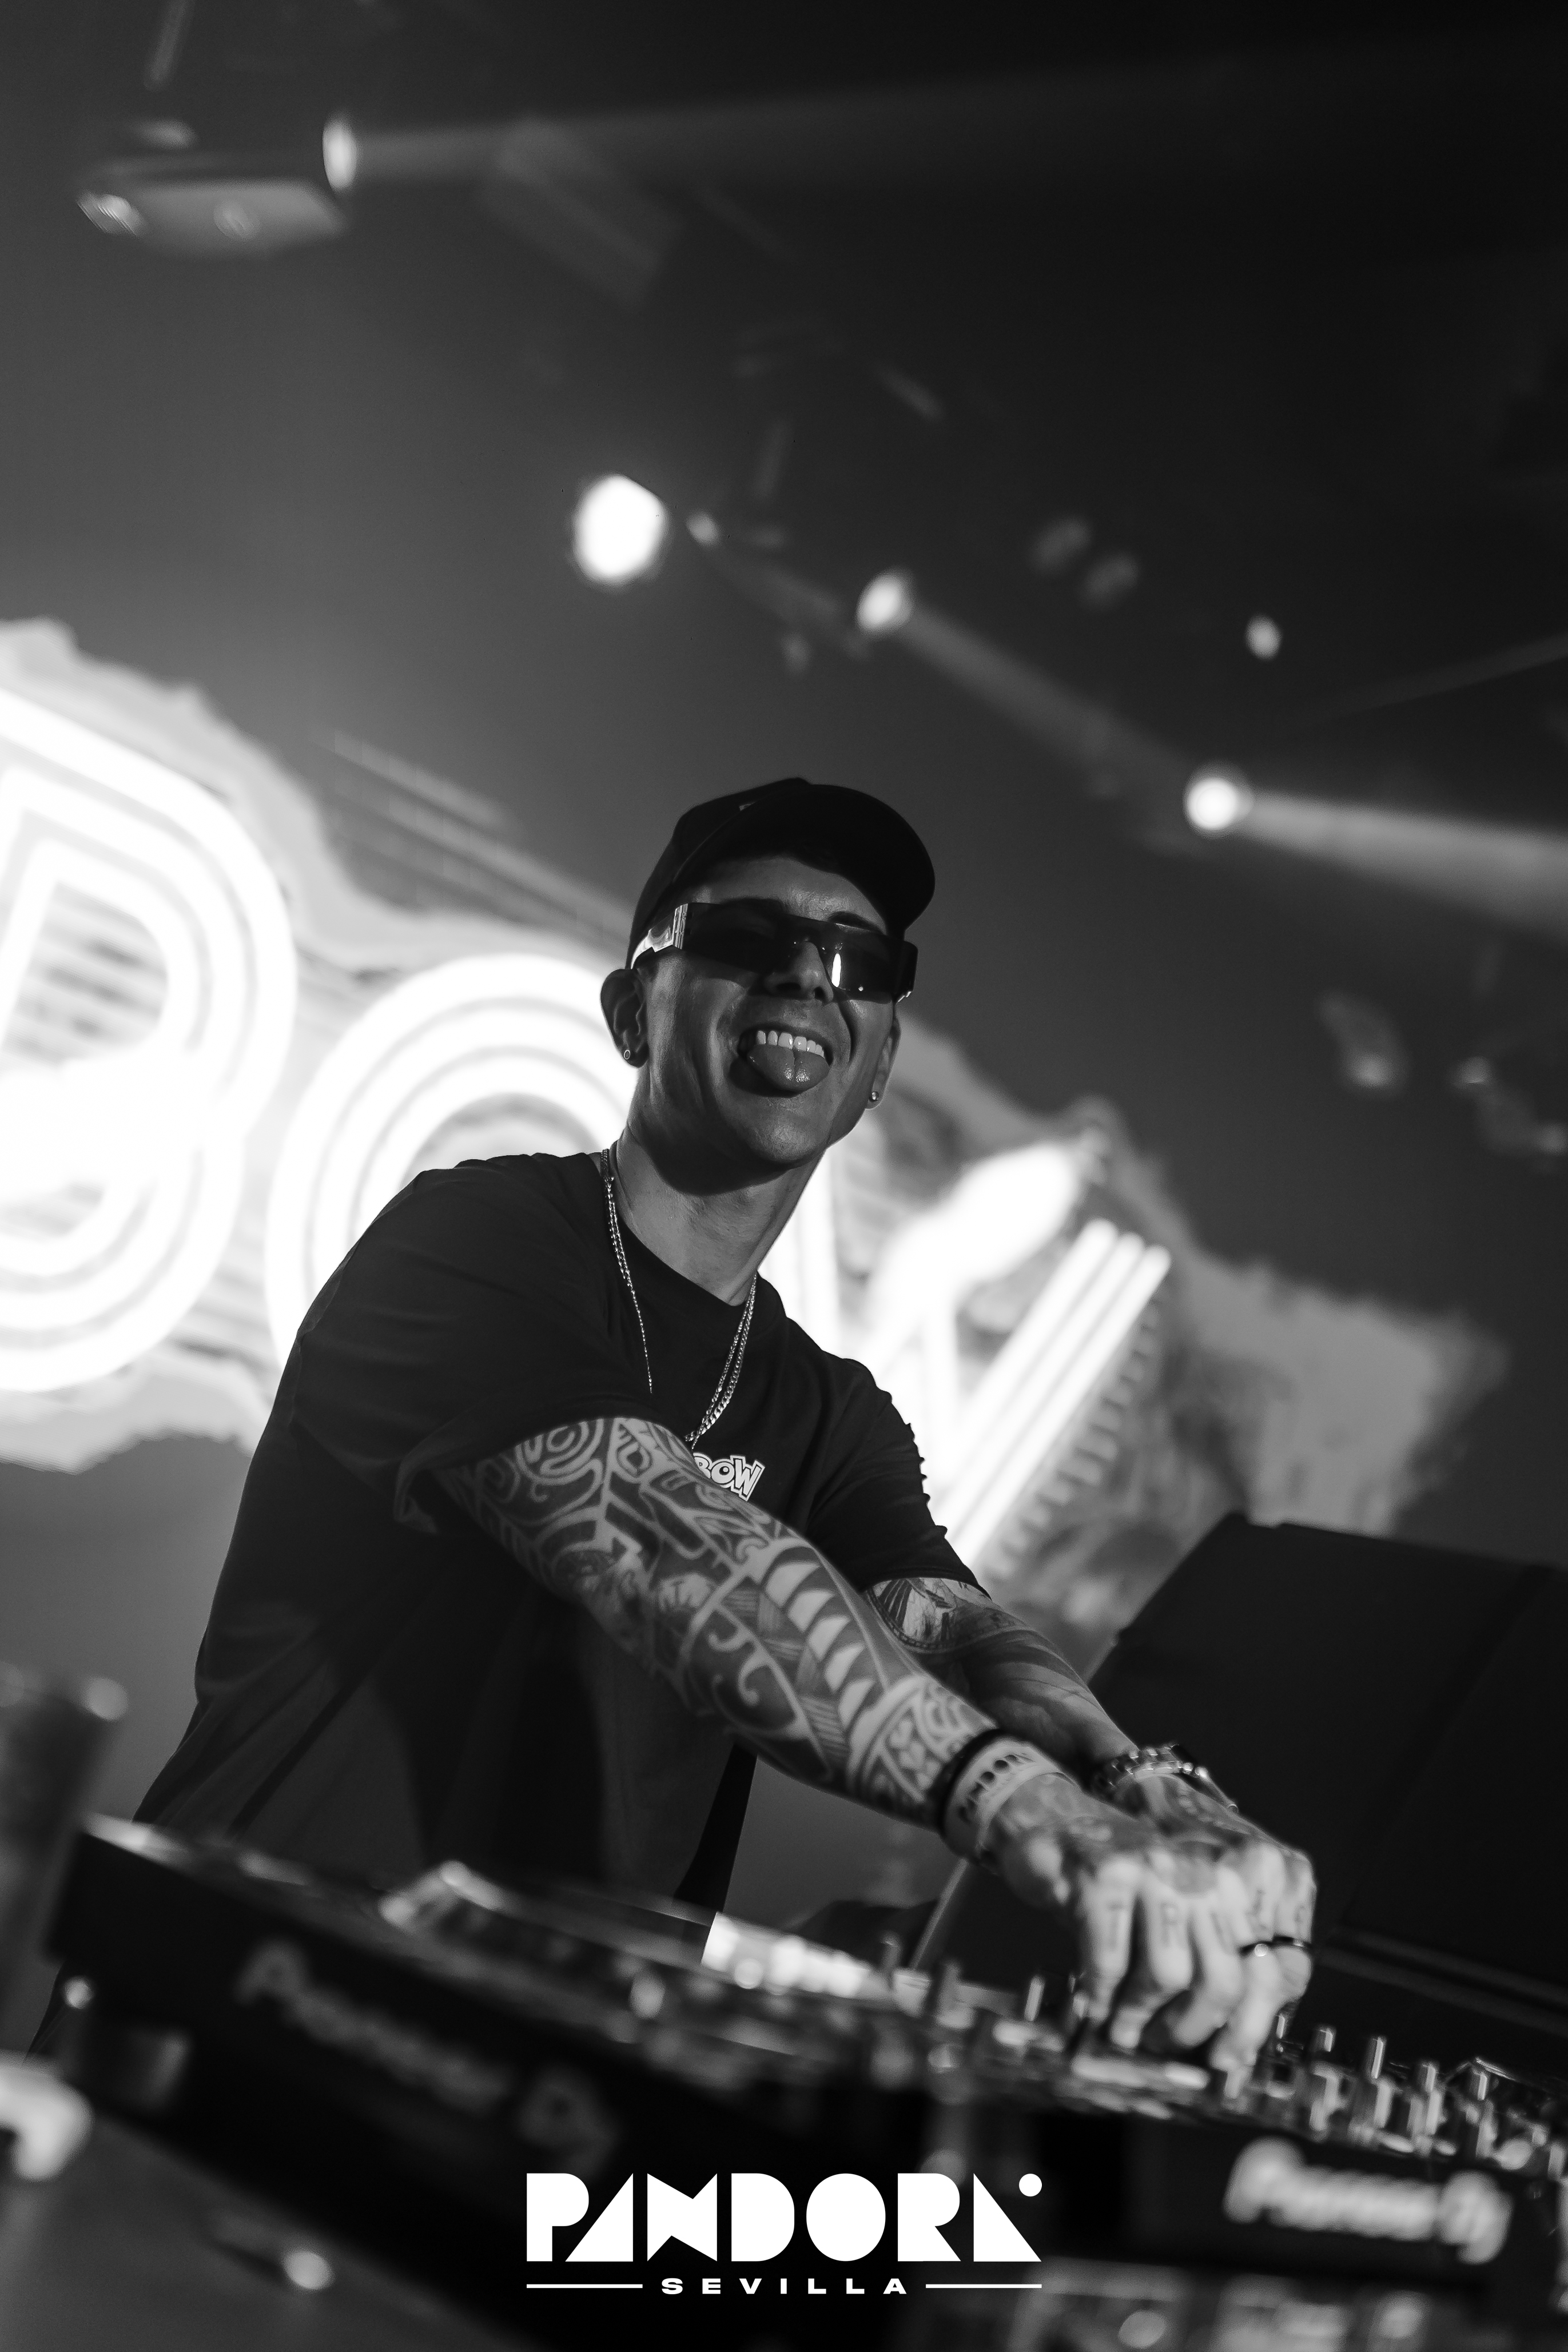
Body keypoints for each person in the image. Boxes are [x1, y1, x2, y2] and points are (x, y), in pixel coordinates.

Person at [141, 777, 1313, 2067]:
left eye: (860, 962)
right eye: (748, 938)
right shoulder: (472, 1240)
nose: (807, 976)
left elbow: (959, 1638)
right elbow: (664, 1543)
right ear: (631, 1009)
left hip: (537, 2090)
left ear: (877, 1064)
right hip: (236, 2022)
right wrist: (1024, 1807)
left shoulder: (830, 1408)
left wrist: (1146, 1789)